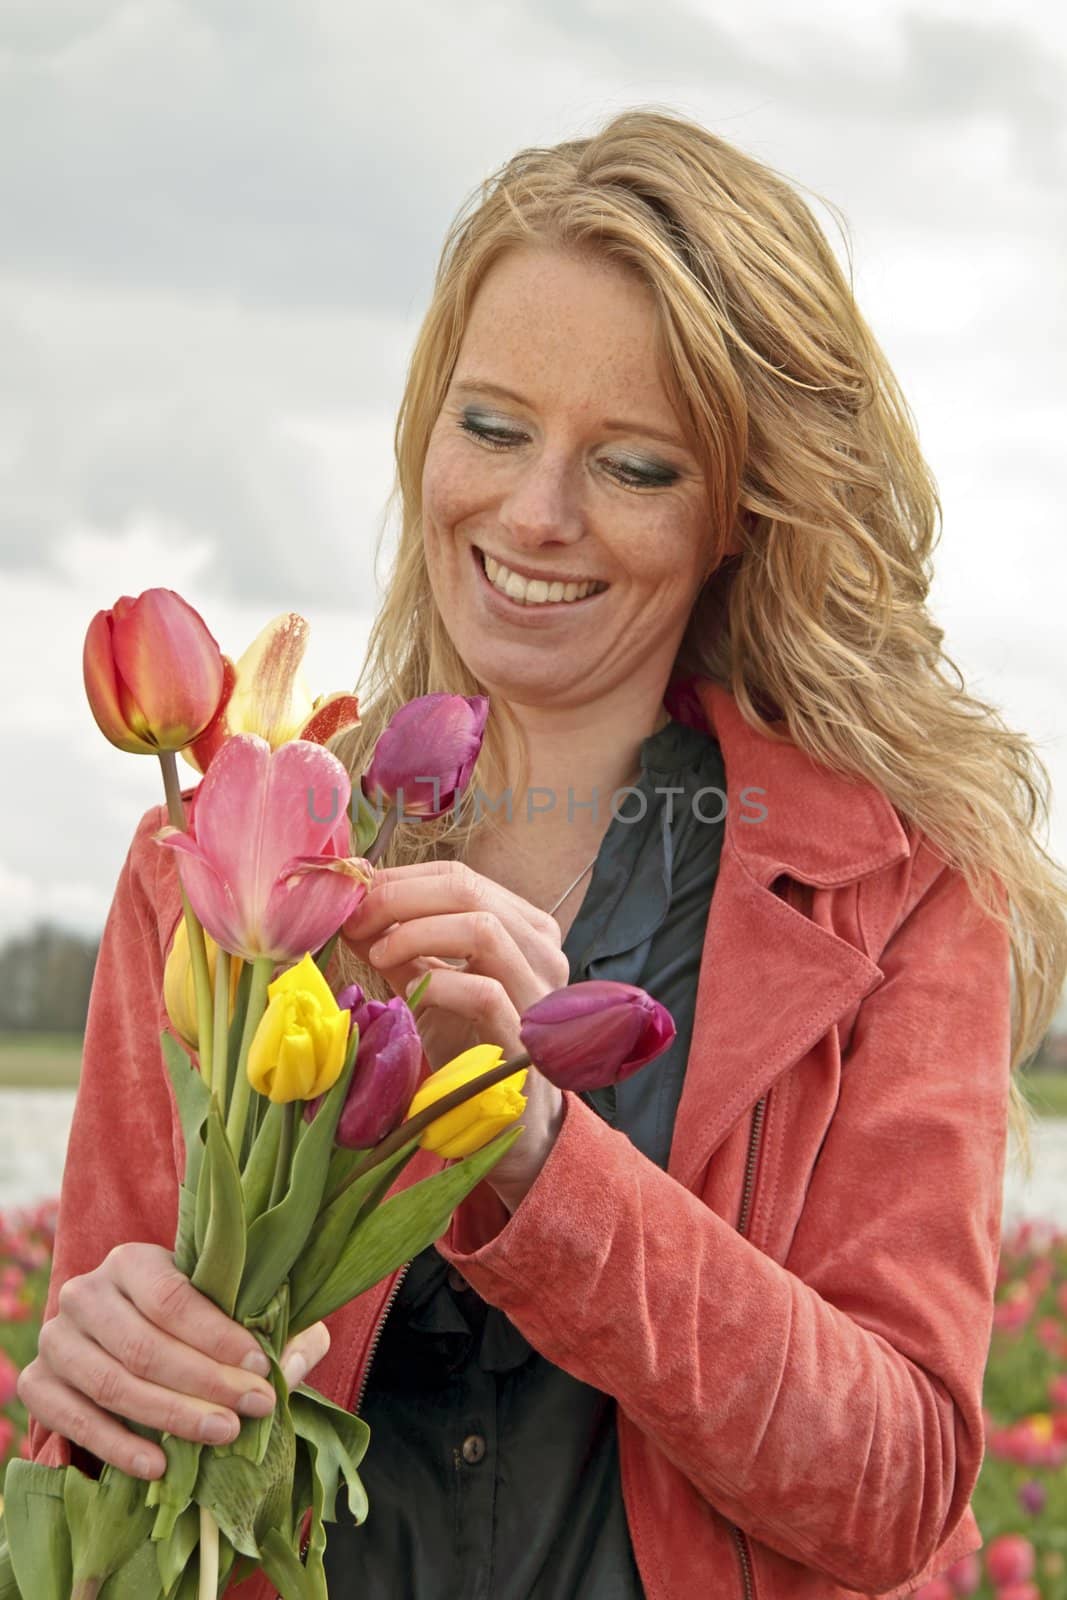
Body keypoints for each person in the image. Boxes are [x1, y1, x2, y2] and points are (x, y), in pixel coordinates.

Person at [22, 106, 1067, 1600]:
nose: (535, 512)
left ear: (741, 511)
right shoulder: (224, 857)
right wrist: (97, 1380)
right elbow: (110, 1481)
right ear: (426, 430)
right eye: (494, 427)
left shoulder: (893, 896)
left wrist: (526, 1145)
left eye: (635, 466)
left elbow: (888, 1489)